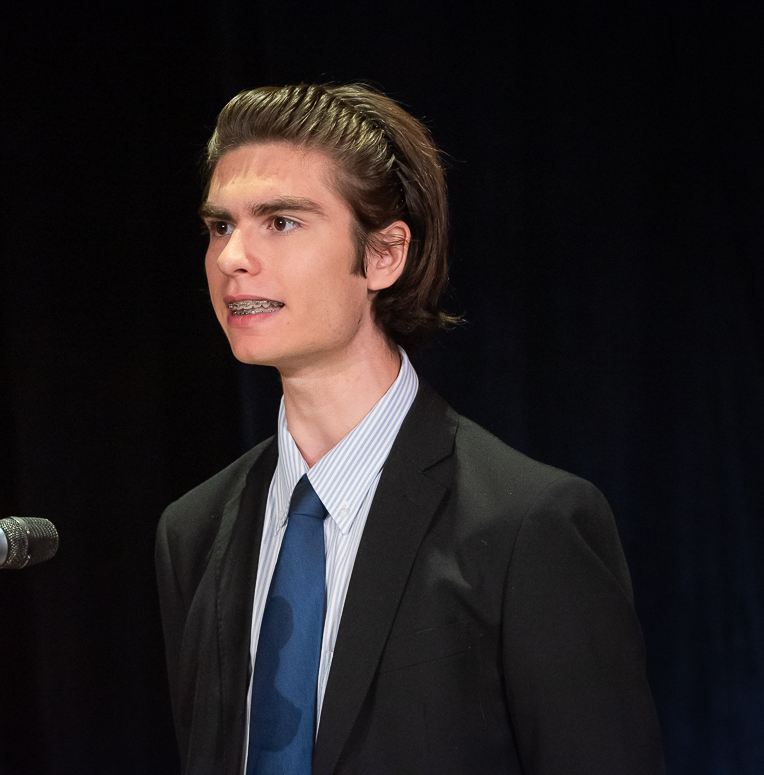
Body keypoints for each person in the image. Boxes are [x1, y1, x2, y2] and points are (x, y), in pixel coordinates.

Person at [155, 83, 665, 775]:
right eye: (221, 226)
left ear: (385, 254)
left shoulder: (529, 525)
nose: (231, 257)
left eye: (280, 221)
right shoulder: (192, 531)